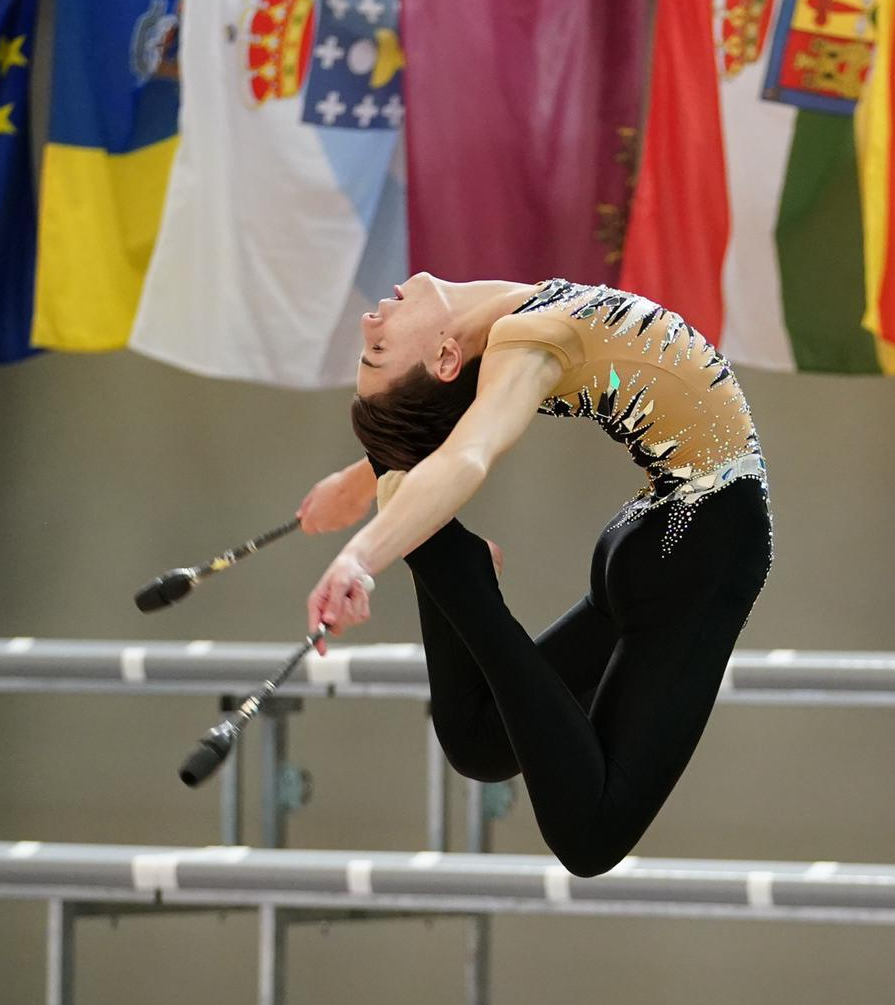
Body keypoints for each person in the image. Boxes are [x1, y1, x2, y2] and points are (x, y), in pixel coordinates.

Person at [300, 274, 773, 878]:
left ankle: (447, 560)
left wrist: (361, 490)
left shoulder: (506, 332)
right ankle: (449, 564)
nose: (368, 324)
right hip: (702, 544)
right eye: (378, 351)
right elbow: (467, 452)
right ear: (445, 357)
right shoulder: (522, 337)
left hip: (662, 538)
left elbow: (456, 431)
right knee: (588, 837)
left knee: (478, 739)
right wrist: (359, 554)